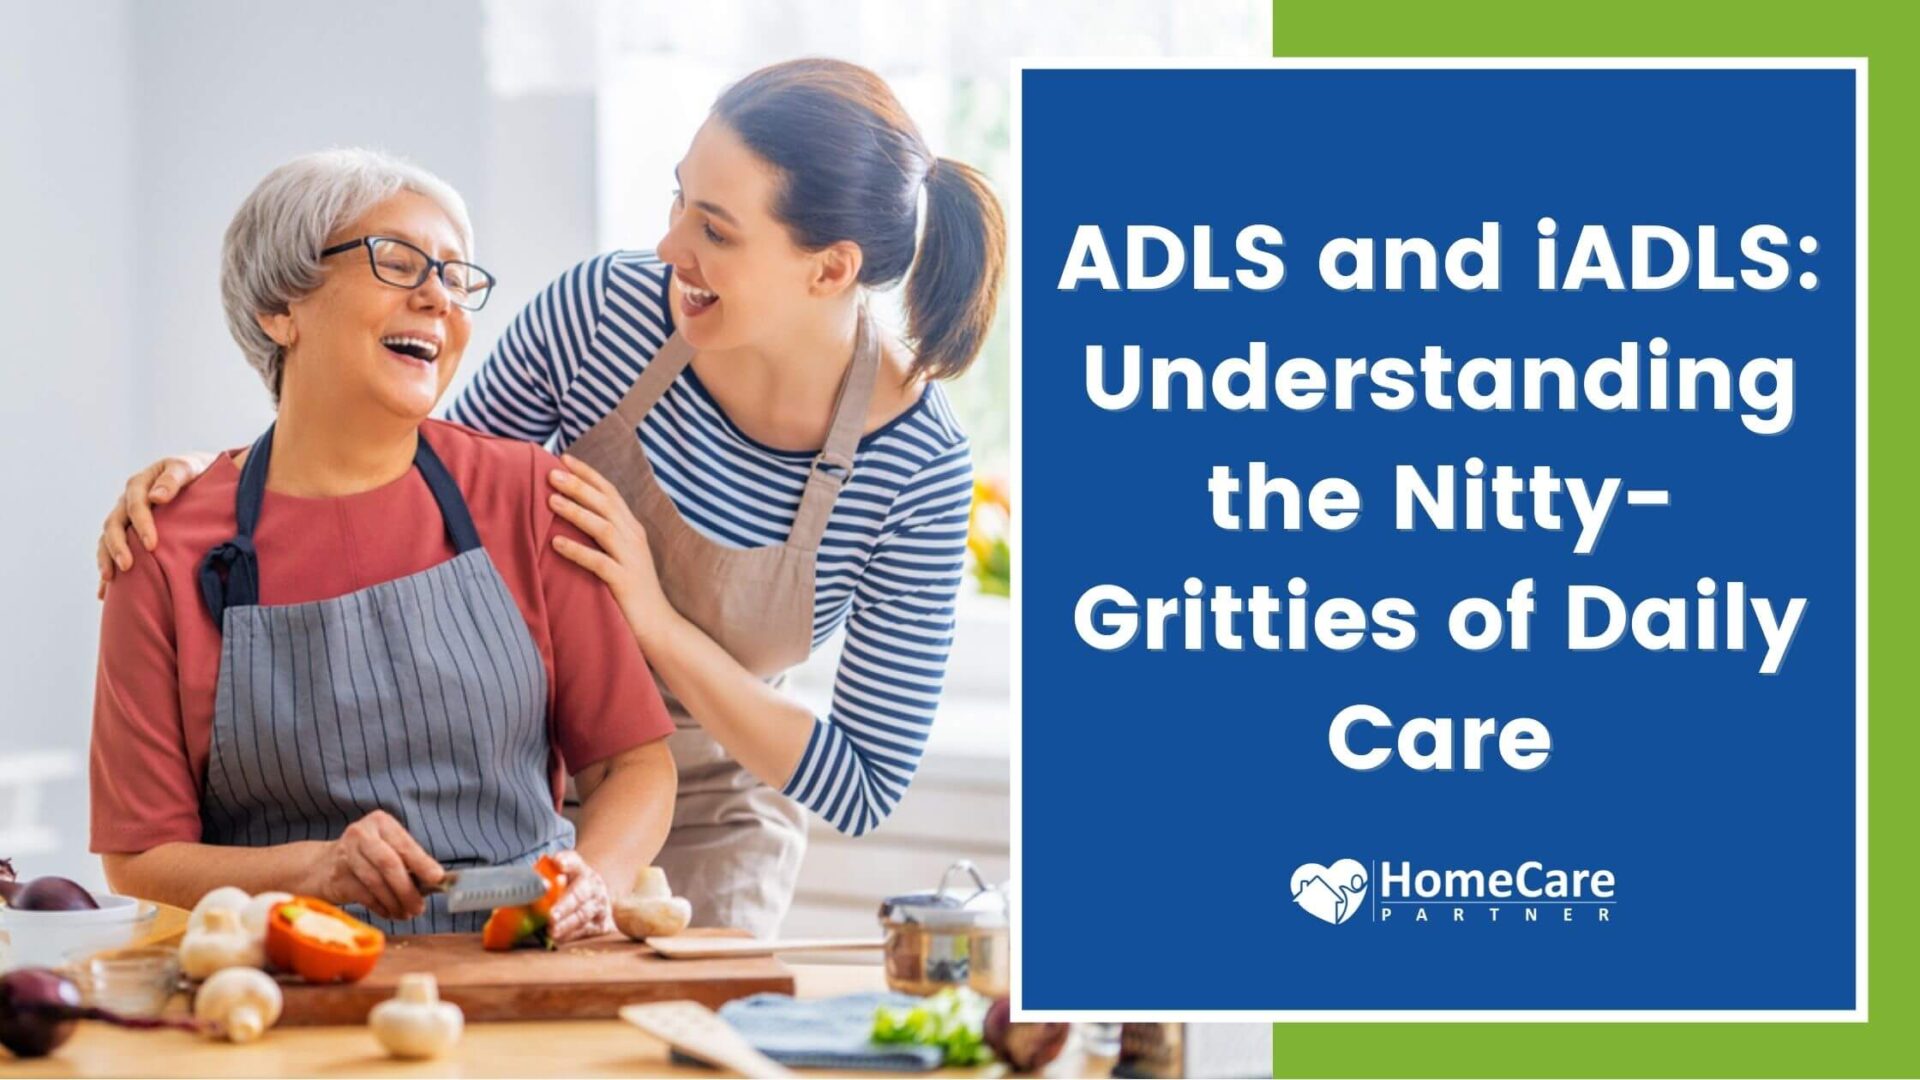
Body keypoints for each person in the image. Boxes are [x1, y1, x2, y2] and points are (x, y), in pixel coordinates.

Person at [98, 58, 1005, 936]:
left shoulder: (917, 467)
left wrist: (652, 617)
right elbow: (409, 465)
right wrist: (220, 483)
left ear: (831, 269)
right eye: (679, 198)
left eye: (717, 231)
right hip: (510, 751)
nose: (669, 246)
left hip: (703, 797)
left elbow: (862, 783)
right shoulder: (608, 313)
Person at [91, 150, 677, 939]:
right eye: (397, 262)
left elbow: (632, 766)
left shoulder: (532, 497)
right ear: (279, 308)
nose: (438, 297)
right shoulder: (162, 546)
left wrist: (590, 886)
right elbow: (142, 855)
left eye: (454, 276)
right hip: (288, 992)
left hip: (529, 966)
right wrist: (314, 869)